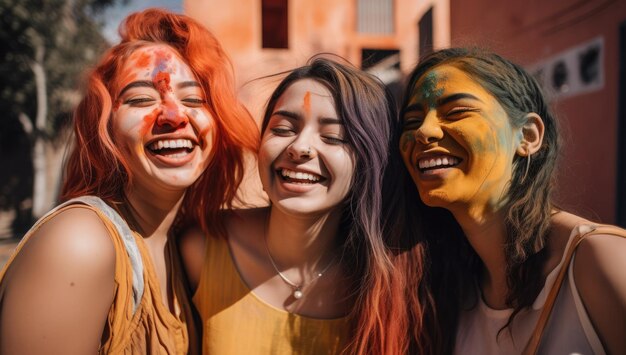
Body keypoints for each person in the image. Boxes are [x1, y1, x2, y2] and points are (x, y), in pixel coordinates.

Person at [0, 8, 257, 354]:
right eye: (140, 100)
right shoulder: (79, 244)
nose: (172, 115)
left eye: (194, 99)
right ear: (105, 128)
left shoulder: (184, 245)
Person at [395, 47, 626, 354]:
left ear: (528, 136)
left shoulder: (600, 259)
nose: (424, 131)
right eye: (411, 122)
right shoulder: (448, 290)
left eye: (456, 112)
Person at [179, 56, 409, 354]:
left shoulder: (387, 283)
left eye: (333, 137)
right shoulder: (203, 248)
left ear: (369, 162)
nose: (300, 148)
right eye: (283, 129)